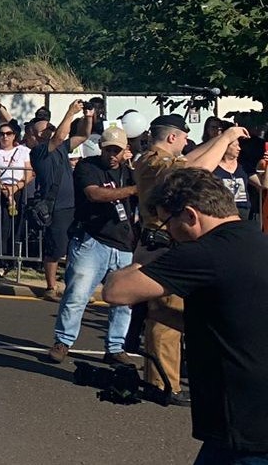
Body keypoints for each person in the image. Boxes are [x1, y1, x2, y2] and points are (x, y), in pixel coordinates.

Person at [104, 169, 268, 464]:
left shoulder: (206, 252)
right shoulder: (255, 240)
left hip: (242, 426)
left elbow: (116, 290)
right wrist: (161, 313)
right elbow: (231, 323)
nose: (169, 234)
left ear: (191, 215)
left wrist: (147, 255)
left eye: (169, 224)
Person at [130, 115, 247, 404]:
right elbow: (193, 174)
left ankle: (163, 379)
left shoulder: (155, 159)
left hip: (165, 240)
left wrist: (221, 139)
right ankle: (164, 384)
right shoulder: (154, 161)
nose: (186, 142)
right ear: (172, 138)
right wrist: (224, 138)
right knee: (167, 315)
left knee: (172, 313)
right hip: (162, 241)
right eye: (183, 137)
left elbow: (189, 159)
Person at [47, 127, 138, 366]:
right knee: (77, 294)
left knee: (123, 300)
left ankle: (116, 347)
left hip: (123, 243)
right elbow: (95, 194)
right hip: (92, 240)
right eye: (108, 149)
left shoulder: (130, 173)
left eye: (117, 151)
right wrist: (135, 189)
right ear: (101, 147)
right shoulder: (88, 167)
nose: (112, 155)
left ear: (125, 151)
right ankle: (63, 341)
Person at [28, 101, 93, 300]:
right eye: (45, 128)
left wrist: (88, 117)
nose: (51, 129)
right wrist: (70, 112)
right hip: (55, 206)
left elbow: (83, 136)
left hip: (72, 204)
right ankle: (50, 287)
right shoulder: (38, 152)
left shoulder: (62, 149)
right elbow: (59, 137)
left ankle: (73, 287)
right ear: (38, 135)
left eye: (50, 126)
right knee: (55, 248)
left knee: (75, 248)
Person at [0, 122, 33, 257]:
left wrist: (14, 190)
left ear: (14, 135)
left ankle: (14, 257)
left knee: (17, 225)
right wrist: (6, 192)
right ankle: (1, 258)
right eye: (2, 134)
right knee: (2, 226)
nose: (5, 137)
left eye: (9, 133)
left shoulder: (24, 151)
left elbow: (29, 174)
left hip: (19, 190)